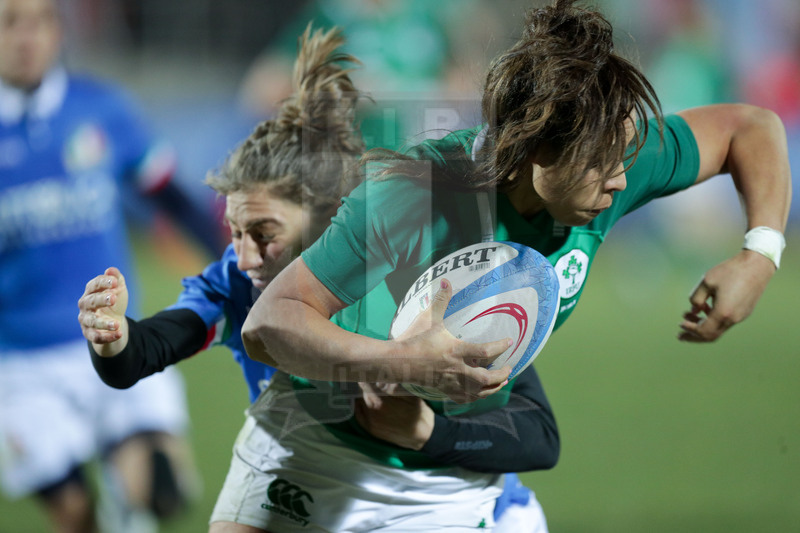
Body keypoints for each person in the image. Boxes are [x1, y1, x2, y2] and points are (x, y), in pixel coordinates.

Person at [238, 0, 792, 528]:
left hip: (444, 480)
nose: (622, 182)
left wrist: (760, 254)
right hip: (315, 443)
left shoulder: (607, 154)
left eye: (625, 158)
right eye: (601, 167)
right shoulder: (412, 196)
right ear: (531, 150)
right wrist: (398, 362)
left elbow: (751, 126)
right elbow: (269, 325)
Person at [78, 26, 558, 533]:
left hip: (448, 497)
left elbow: (537, 434)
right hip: (310, 469)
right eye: (235, 232)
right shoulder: (239, 284)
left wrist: (427, 431)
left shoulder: (414, 280)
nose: (243, 257)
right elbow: (144, 351)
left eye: (265, 234)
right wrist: (113, 335)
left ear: (328, 221)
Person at [0, 0, 221, 531]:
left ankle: (133, 505)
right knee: (76, 513)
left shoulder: (101, 109)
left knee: (163, 485)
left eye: (41, 21)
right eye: (10, 23)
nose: (27, 37)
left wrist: (235, 261)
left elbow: (170, 196)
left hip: (116, 336)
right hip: (22, 364)